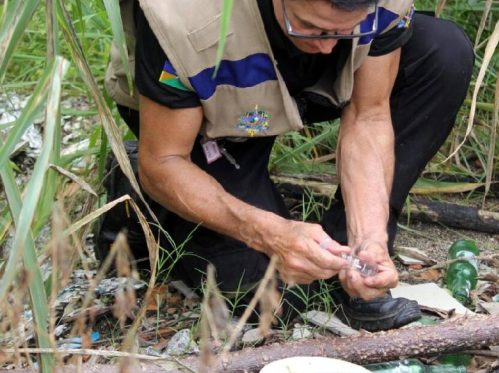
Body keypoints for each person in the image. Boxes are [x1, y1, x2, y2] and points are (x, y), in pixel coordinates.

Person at [101, 0, 473, 331]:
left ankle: (345, 257)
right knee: (268, 302)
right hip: (203, 119)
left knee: (441, 52)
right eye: (311, 27)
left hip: (303, 91)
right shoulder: (181, 17)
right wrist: (271, 234)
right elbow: (166, 160)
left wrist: (368, 237)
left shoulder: (379, 8)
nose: (329, 46)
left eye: (346, 31)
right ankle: (136, 191)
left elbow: (368, 116)